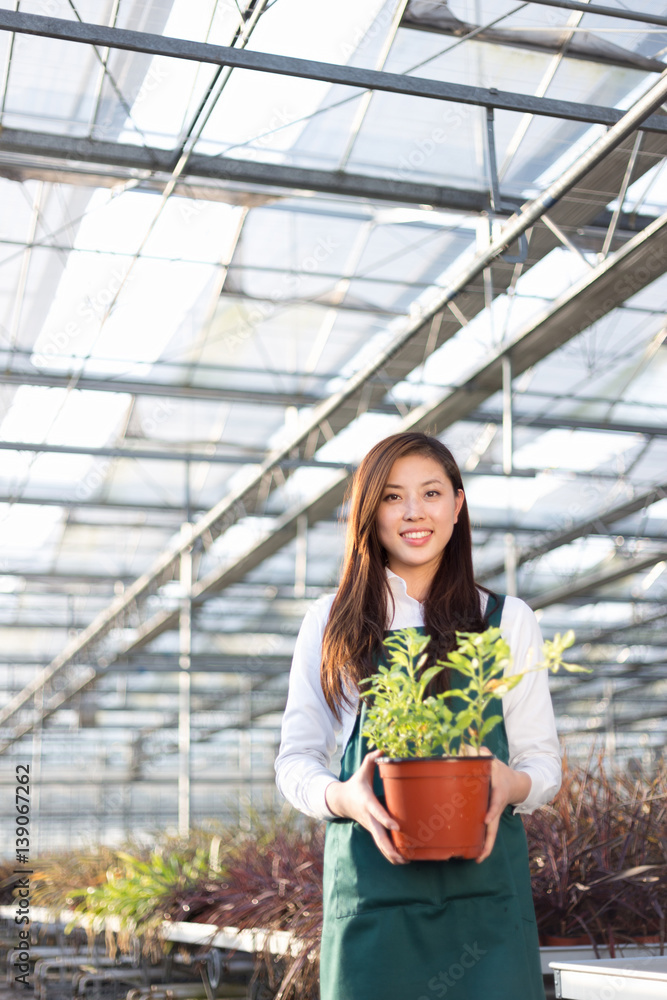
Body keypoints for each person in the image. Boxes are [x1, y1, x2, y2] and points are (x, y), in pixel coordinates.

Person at [275, 431, 561, 1000]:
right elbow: (296, 760)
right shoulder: (331, 622)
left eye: (431, 493)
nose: (413, 512)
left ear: (457, 506)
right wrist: (343, 798)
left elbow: (542, 761)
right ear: (368, 513)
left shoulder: (507, 620)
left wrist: (514, 784)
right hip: (374, 898)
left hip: (485, 902)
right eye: (391, 496)